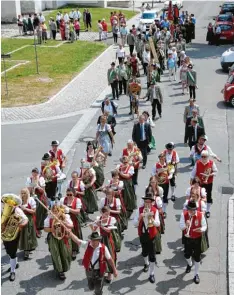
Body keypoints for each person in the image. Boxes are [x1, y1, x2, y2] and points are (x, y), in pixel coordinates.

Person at [133, 193, 160, 283]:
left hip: (151, 235)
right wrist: (139, 218)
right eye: (146, 202)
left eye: (149, 202)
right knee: (144, 252)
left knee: (152, 255)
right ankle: (146, 263)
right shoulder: (139, 210)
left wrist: (152, 219)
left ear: (152, 203)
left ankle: (151, 273)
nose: (147, 204)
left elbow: (158, 224)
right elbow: (135, 224)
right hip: (143, 234)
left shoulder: (155, 210)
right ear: (144, 202)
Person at [1, 194, 28, 281]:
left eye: (10, 204)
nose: (7, 205)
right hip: (5, 233)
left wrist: (21, 225)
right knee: (8, 251)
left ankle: (13, 271)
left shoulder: (18, 210)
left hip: (14, 234)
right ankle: (15, 263)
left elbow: (26, 219)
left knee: (12, 253)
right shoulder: (2, 208)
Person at [179, 200, 207, 284]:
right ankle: (190, 264)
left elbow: (205, 226)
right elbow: (181, 226)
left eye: (193, 210)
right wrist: (185, 225)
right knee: (187, 255)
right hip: (187, 238)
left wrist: (201, 229)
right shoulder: (183, 215)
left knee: (197, 257)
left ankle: (196, 274)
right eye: (189, 210)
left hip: (197, 238)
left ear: (195, 209)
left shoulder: (200, 215)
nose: (191, 212)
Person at [44, 204, 73, 280]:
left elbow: (71, 226)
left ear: (59, 211)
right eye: (53, 211)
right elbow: (45, 229)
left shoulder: (65, 216)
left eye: (56, 211)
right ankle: (60, 271)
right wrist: (51, 229)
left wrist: (64, 223)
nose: (55, 213)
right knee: (56, 254)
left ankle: (64, 267)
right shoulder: (48, 218)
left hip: (63, 237)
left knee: (65, 253)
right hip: (53, 238)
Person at [190, 150, 218, 218]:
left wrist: (210, 175)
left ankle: (207, 210)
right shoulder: (198, 162)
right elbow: (193, 172)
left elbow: (216, 172)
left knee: (208, 196)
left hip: (208, 182)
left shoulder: (211, 163)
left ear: (208, 157)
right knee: (198, 195)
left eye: (205, 157)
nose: (203, 158)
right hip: (199, 182)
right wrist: (191, 180)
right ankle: (198, 209)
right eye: (202, 156)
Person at [60, 188, 83, 260]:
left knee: (74, 234)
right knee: (66, 235)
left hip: (74, 220)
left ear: (74, 194)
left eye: (70, 194)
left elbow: (77, 211)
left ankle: (74, 250)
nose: (69, 196)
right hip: (65, 220)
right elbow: (59, 209)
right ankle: (67, 249)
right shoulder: (63, 200)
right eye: (67, 194)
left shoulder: (77, 200)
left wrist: (69, 209)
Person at [26, 167, 47, 238]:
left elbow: (43, 191)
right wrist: (32, 187)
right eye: (33, 172)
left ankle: (38, 227)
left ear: (38, 173)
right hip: (32, 197)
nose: (34, 174)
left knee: (39, 213)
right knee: (33, 213)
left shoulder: (41, 179)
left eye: (36, 172)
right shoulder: (29, 179)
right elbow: (28, 190)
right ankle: (34, 228)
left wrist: (37, 186)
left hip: (40, 198)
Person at [18, 188, 38, 260]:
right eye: (22, 193)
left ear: (27, 193)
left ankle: (27, 251)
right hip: (21, 219)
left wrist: (25, 209)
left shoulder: (31, 200)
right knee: (23, 235)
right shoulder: (19, 201)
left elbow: (34, 211)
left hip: (29, 219)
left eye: (24, 193)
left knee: (28, 234)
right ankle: (25, 248)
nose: (23, 195)